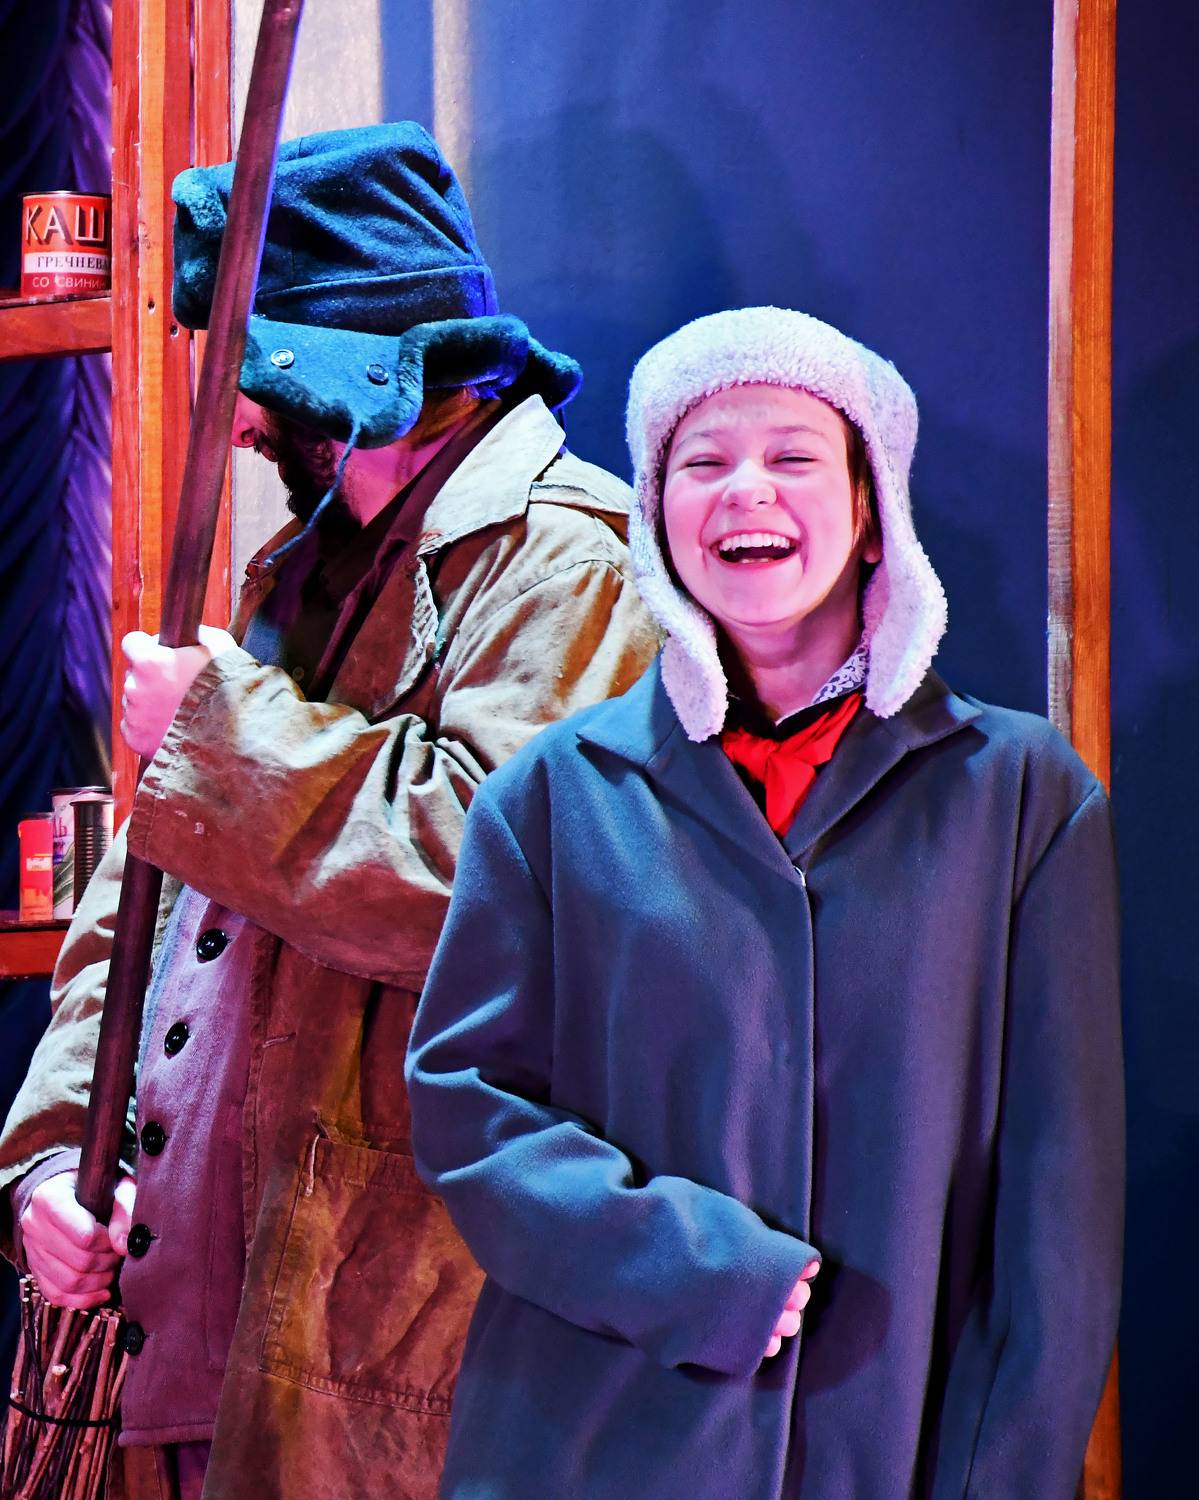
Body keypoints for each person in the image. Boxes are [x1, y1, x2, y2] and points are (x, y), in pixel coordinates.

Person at [0, 123, 657, 1500]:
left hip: (364, 1363)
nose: (240, 421)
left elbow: (485, 883)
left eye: (260, 379)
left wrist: (216, 732)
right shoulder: (293, 578)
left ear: (361, 370)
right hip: (177, 1343)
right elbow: (135, 909)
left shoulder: (567, 568)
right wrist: (56, 1158)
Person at [406, 306, 1124, 1499]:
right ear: (655, 513)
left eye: (792, 455)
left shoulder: (1020, 799)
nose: (747, 489)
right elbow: (464, 1110)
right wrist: (690, 1270)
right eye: (703, 461)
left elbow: (1061, 1210)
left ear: (870, 506)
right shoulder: (550, 795)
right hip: (591, 1449)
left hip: (888, 1446)